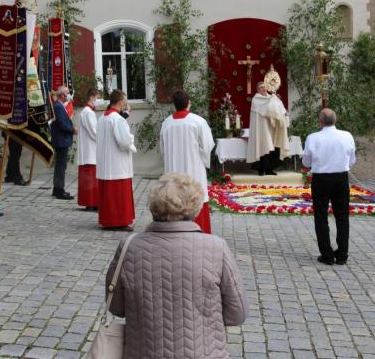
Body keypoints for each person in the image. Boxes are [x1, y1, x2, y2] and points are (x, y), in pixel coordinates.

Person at [105, 173, 248, 358]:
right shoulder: (216, 248)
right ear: (195, 206)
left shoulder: (129, 247)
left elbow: (116, 307)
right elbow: (237, 314)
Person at [302, 109, 356, 266]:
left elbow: (306, 162)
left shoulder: (313, 138)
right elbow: (352, 160)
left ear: (320, 121)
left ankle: (326, 253)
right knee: (342, 215)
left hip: (321, 179)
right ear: (336, 119)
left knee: (321, 215)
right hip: (341, 177)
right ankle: (342, 253)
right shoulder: (347, 136)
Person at [159, 90, 215, 234]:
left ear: (174, 105)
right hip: (194, 168)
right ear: (188, 103)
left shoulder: (166, 123)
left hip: (173, 170)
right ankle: (199, 229)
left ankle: (174, 230)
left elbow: (162, 148)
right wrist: (202, 158)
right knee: (194, 196)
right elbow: (208, 145)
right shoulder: (198, 121)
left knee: (174, 198)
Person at [96, 89, 137, 231]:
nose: (124, 105)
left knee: (109, 195)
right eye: (124, 102)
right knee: (119, 194)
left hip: (105, 162)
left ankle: (108, 220)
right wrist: (132, 138)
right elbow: (124, 141)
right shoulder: (117, 119)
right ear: (119, 102)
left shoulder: (102, 118)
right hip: (117, 162)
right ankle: (120, 221)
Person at [246, 81, 290, 176]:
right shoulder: (256, 99)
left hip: (272, 127)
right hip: (261, 128)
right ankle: (261, 169)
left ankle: (270, 169)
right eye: (261, 87)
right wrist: (273, 100)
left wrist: (274, 99)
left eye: (265, 87)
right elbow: (266, 109)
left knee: (273, 146)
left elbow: (280, 108)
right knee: (263, 146)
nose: (264, 88)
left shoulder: (272, 98)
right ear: (258, 89)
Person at [77, 88, 101, 210]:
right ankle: (91, 203)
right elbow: (94, 132)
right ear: (92, 97)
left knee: (90, 177)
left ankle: (92, 202)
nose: (98, 100)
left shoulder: (87, 112)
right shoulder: (88, 112)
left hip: (89, 150)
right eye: (97, 97)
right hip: (90, 150)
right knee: (90, 177)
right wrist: (103, 139)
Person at [51, 85, 75, 200]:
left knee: (61, 165)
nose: (69, 95)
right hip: (61, 140)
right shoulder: (58, 106)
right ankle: (59, 190)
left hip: (62, 140)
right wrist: (73, 130)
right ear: (62, 95)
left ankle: (57, 188)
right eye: (67, 93)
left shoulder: (60, 105)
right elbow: (62, 124)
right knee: (61, 166)